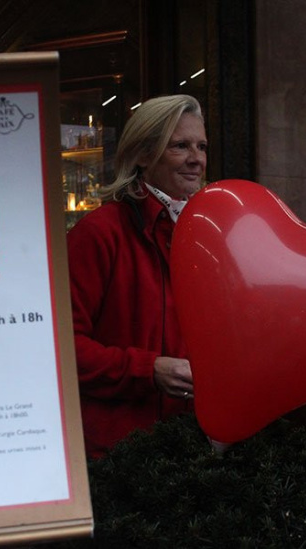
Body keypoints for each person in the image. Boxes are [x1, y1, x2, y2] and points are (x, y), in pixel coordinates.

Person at [66, 94, 206, 458]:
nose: (197, 159)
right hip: (117, 456)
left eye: (202, 146)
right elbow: (62, 349)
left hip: (190, 447)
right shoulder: (98, 234)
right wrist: (148, 371)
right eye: (180, 146)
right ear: (143, 155)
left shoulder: (207, 233)